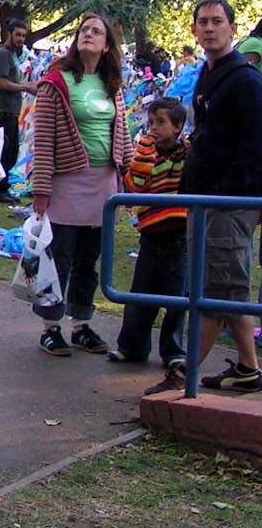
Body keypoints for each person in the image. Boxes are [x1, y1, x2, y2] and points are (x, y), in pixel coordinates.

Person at [31, 13, 132, 357]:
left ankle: (81, 325)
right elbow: (42, 141)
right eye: (83, 30)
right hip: (66, 183)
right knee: (59, 258)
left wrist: (131, 180)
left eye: (96, 31)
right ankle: (50, 327)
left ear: (107, 46)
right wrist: (41, 190)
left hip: (104, 184)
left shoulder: (111, 84)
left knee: (89, 259)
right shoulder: (55, 82)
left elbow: (124, 135)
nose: (87, 34)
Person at [179, 0, 262, 393]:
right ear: (194, 30)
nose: (209, 28)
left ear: (232, 28)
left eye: (217, 21)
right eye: (202, 22)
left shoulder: (246, 80)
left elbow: (254, 147)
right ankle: (248, 367)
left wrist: (227, 194)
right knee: (228, 286)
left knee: (215, 289)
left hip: (229, 203)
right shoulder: (208, 75)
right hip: (204, 199)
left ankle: (185, 375)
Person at [112, 97, 188, 377]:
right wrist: (145, 148)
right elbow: (136, 184)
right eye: (151, 122)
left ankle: (174, 352)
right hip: (151, 233)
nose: (154, 128)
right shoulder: (145, 152)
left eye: (161, 122)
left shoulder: (186, 153)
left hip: (179, 235)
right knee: (141, 293)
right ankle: (132, 346)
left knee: (177, 298)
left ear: (178, 126)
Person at [0, 18, 39, 204]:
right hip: (3, 109)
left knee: (10, 152)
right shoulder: (3, 55)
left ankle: (3, 187)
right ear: (9, 33)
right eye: (17, 34)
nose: (21, 39)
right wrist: (26, 87)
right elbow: (3, 83)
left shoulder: (13, 55)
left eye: (24, 36)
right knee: (4, 152)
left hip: (12, 111)